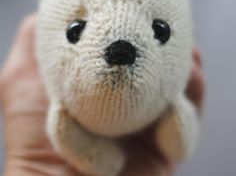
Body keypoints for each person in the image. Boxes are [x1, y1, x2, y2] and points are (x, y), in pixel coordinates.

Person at [0, 15, 204, 176]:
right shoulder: (63, 112)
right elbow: (63, 129)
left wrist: (35, 167)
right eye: (75, 30)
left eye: (160, 30)